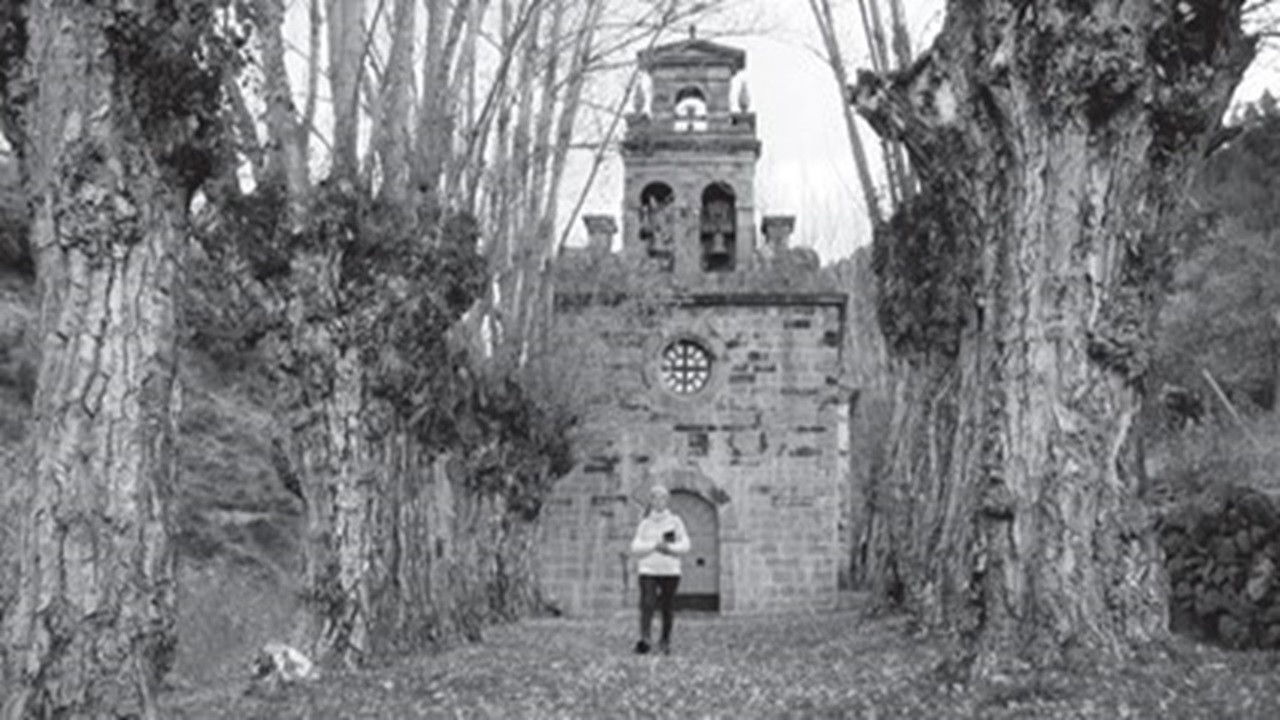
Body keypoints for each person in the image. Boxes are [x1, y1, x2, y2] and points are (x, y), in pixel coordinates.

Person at [628, 484, 690, 655]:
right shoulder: (645, 524)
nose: (659, 501)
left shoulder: (675, 522)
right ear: (651, 501)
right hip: (648, 570)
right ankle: (645, 639)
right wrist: (654, 546)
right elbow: (635, 546)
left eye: (662, 497)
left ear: (667, 500)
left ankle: (665, 641)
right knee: (647, 603)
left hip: (670, 571)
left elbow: (685, 545)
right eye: (655, 497)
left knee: (667, 607)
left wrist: (669, 549)